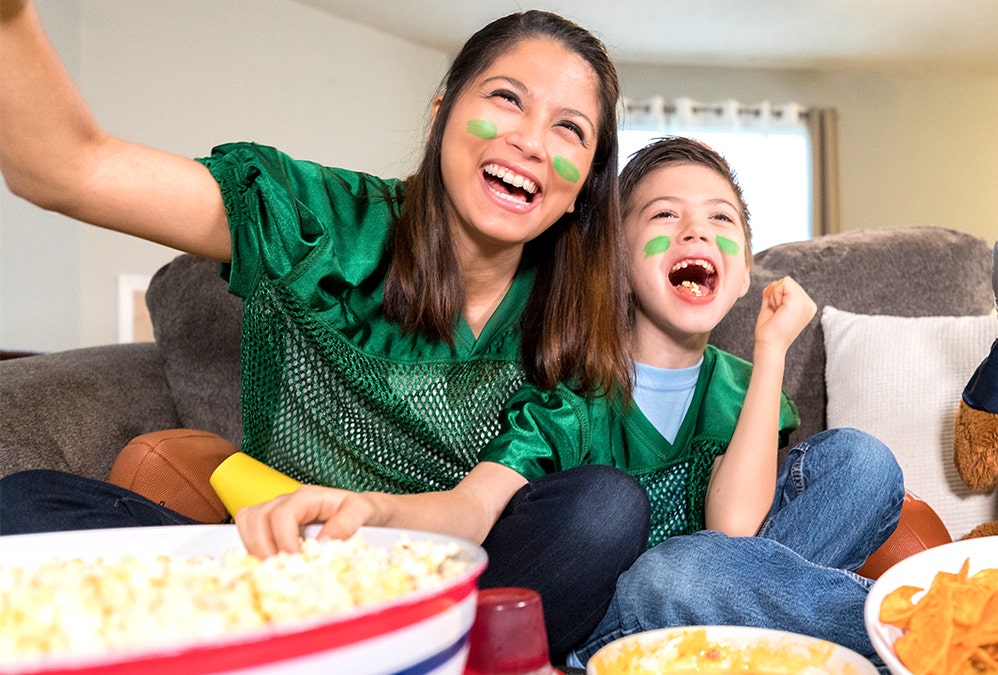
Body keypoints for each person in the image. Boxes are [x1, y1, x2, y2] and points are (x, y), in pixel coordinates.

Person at [0, 2, 649, 661]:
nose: (532, 141)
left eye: (569, 129)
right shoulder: (318, 223)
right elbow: (65, 167)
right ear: (441, 114)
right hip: (275, 572)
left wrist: (370, 512)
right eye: (507, 98)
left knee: (603, 509)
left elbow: (474, 511)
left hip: (446, 580)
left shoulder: (570, 328)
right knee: (25, 506)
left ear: (583, 188)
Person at [232, 136, 905, 666]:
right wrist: (374, 510)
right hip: (622, 605)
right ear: (615, 263)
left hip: (714, 581)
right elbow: (479, 504)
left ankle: (746, 648)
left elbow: (738, 526)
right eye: (665, 216)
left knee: (864, 463)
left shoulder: (741, 382)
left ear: (740, 275)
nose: (697, 233)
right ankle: (913, 626)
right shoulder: (573, 389)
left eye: (720, 220)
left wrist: (772, 352)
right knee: (681, 569)